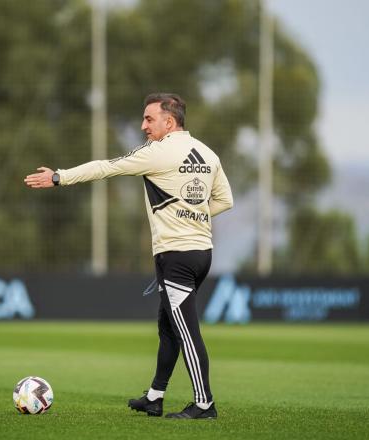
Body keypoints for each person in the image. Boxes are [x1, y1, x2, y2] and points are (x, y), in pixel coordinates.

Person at [24, 93, 233, 419]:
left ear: (169, 121)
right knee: (169, 328)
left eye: (149, 119)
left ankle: (204, 404)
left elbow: (106, 168)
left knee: (187, 333)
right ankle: (154, 397)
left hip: (176, 255)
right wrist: (195, 216)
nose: (143, 126)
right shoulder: (208, 153)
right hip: (200, 252)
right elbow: (225, 200)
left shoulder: (159, 152)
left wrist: (58, 177)